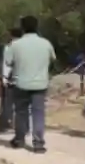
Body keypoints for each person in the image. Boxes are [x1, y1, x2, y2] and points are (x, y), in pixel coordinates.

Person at [5, 15, 56, 153]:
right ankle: (38, 143)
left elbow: (8, 62)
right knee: (38, 113)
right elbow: (53, 59)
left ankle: (20, 139)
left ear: (22, 28)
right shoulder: (46, 43)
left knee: (21, 112)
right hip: (40, 83)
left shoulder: (15, 45)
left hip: (21, 82)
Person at [0, 27, 23, 135]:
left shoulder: (9, 47)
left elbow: (6, 64)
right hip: (23, 78)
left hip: (11, 78)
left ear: (11, 35)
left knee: (7, 103)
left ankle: (4, 125)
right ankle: (22, 125)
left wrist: (4, 78)